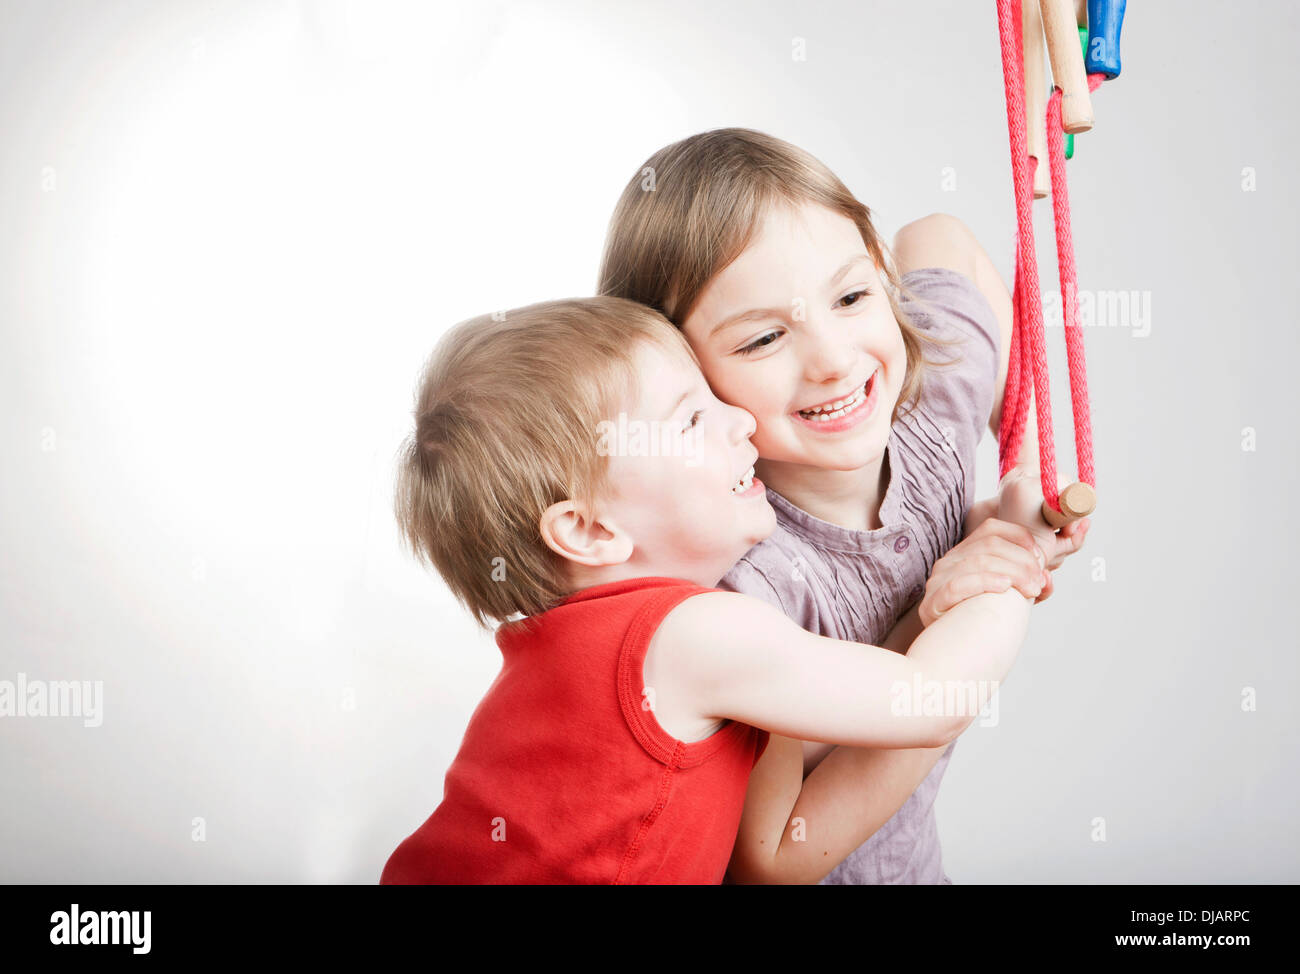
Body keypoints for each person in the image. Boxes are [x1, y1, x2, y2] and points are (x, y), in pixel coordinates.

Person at [380, 296, 1056, 884]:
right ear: (588, 530)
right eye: (692, 421)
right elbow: (928, 701)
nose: (741, 422)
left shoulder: (567, 650)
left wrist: (950, 577)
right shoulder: (691, 636)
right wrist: (1014, 562)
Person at [597, 128, 1090, 883]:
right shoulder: (738, 585)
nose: (833, 359)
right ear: (678, 374)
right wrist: (974, 591)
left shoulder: (933, 411)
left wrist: (1026, 468)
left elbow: (942, 240)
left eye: (852, 295)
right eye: (764, 338)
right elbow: (776, 855)